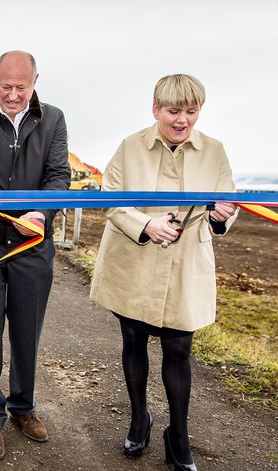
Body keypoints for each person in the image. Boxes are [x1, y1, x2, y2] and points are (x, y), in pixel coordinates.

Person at [90, 74, 238, 471]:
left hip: (185, 266)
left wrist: (223, 215)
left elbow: (228, 203)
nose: (182, 120)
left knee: (179, 350)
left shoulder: (215, 151)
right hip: (134, 264)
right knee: (133, 341)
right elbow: (111, 201)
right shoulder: (128, 147)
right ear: (156, 110)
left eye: (191, 111)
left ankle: (179, 436)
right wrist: (145, 224)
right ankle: (139, 419)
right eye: (174, 111)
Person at [0, 51, 71, 460]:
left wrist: (39, 215)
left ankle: (23, 407)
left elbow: (59, 177)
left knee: (27, 330)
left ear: (36, 80)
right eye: (6, 86)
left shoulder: (53, 119)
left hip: (32, 244)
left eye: (22, 87)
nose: (14, 95)